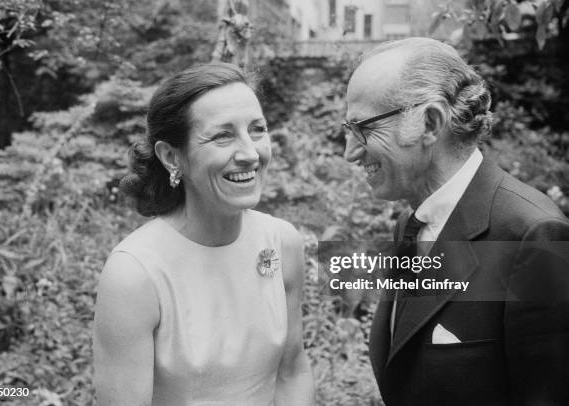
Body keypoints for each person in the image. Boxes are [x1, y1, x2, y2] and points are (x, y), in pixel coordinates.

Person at [343, 38, 569, 406]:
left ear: (430, 122)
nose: (349, 152)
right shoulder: (409, 224)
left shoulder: (534, 235)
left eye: (363, 127)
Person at [93, 62, 314, 405]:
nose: (250, 153)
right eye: (223, 135)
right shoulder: (134, 273)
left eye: (257, 129)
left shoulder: (282, 243)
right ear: (171, 157)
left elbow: (292, 370)